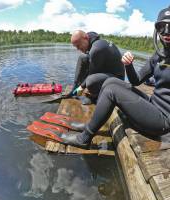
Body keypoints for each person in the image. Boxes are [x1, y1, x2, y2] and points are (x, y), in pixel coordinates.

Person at [61, 6, 170, 148]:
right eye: (162, 26)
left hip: (162, 121)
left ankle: (84, 138)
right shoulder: (159, 55)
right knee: (111, 81)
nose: (166, 32)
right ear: (157, 29)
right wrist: (128, 65)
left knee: (111, 91)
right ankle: (91, 124)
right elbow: (136, 81)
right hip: (152, 104)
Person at [66, 30, 125, 104]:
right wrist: (75, 87)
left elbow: (90, 74)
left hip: (118, 80)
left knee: (91, 81)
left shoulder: (96, 49)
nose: (78, 49)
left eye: (78, 45)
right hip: (107, 72)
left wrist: (81, 88)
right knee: (83, 57)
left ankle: (96, 98)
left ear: (86, 38)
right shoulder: (94, 42)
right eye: (76, 47)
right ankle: (74, 88)